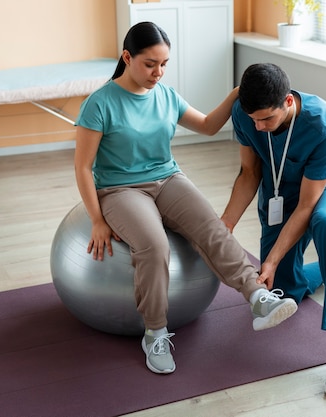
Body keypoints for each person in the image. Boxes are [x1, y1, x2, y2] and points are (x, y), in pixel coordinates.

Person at [73, 23, 297, 375]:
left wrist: (239, 93)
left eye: (164, 64)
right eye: (150, 64)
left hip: (167, 178)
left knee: (212, 227)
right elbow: (83, 167)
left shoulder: (166, 95)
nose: (158, 73)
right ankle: (155, 332)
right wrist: (98, 219)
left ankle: (257, 297)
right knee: (153, 246)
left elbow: (208, 125)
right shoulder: (100, 104)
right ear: (127, 57)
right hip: (119, 189)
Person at [220, 63, 326, 396]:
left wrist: (270, 260)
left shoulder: (324, 124)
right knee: (283, 288)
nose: (259, 127)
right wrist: (223, 227)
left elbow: (308, 206)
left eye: (267, 119)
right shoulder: (246, 113)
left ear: (288, 103)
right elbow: (249, 175)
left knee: (325, 222)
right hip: (280, 186)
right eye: (253, 119)